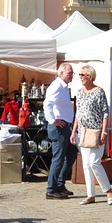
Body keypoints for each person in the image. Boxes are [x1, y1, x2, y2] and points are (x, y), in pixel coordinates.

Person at [70, 64, 112, 206]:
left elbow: (105, 113)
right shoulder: (80, 92)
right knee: (85, 164)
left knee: (94, 162)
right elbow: (78, 113)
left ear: (90, 77)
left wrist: (104, 131)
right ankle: (90, 194)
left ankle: (108, 190)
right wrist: (73, 131)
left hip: (96, 131)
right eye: (80, 75)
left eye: (83, 75)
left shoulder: (99, 92)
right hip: (82, 132)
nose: (80, 77)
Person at [43, 62, 76, 200]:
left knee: (71, 154)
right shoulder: (56, 86)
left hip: (65, 126)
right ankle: (51, 189)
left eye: (72, 73)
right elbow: (47, 104)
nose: (71, 75)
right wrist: (52, 120)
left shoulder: (63, 86)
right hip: (58, 127)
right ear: (61, 73)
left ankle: (59, 185)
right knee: (58, 158)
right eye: (69, 73)